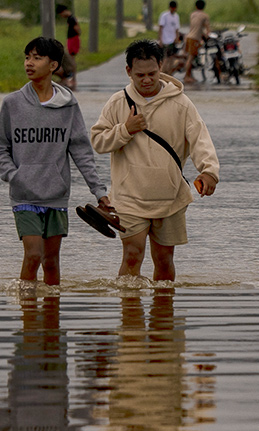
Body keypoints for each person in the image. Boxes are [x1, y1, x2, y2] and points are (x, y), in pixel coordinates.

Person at [90, 39, 219, 282]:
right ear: (128, 71)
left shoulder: (181, 103)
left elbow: (199, 138)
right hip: (129, 196)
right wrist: (125, 130)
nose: (147, 80)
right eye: (140, 75)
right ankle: (130, 317)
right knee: (132, 255)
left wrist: (209, 171)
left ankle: (163, 316)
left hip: (169, 197)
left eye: (152, 73)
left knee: (163, 260)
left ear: (162, 66)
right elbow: (98, 141)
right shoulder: (118, 102)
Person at [0, 36, 111, 286]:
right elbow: (0, 147)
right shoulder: (12, 103)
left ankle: (51, 319)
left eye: (37, 58)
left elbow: (81, 151)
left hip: (56, 195)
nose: (29, 63)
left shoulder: (67, 105)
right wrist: (14, 176)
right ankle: (28, 320)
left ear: (54, 66)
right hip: (24, 195)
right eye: (27, 57)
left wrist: (99, 191)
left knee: (51, 261)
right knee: (33, 255)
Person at [181, 0, 210, 83]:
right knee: (190, 58)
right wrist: (207, 35)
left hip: (188, 37)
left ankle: (189, 76)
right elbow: (207, 29)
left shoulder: (192, 14)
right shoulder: (205, 16)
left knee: (189, 58)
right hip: (195, 39)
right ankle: (186, 76)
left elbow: (196, 26)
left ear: (196, 6)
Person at [56, 3, 80, 90]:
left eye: (61, 14)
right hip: (72, 39)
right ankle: (72, 78)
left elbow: (77, 28)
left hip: (73, 39)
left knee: (71, 59)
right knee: (71, 58)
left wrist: (77, 33)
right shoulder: (71, 18)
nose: (62, 16)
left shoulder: (71, 19)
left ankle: (72, 79)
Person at [156, 0, 181, 72]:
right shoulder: (164, 15)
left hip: (172, 40)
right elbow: (160, 28)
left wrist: (177, 38)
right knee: (165, 58)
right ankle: (162, 73)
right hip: (165, 40)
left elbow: (177, 29)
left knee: (171, 58)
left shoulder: (176, 16)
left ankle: (168, 73)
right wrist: (160, 40)